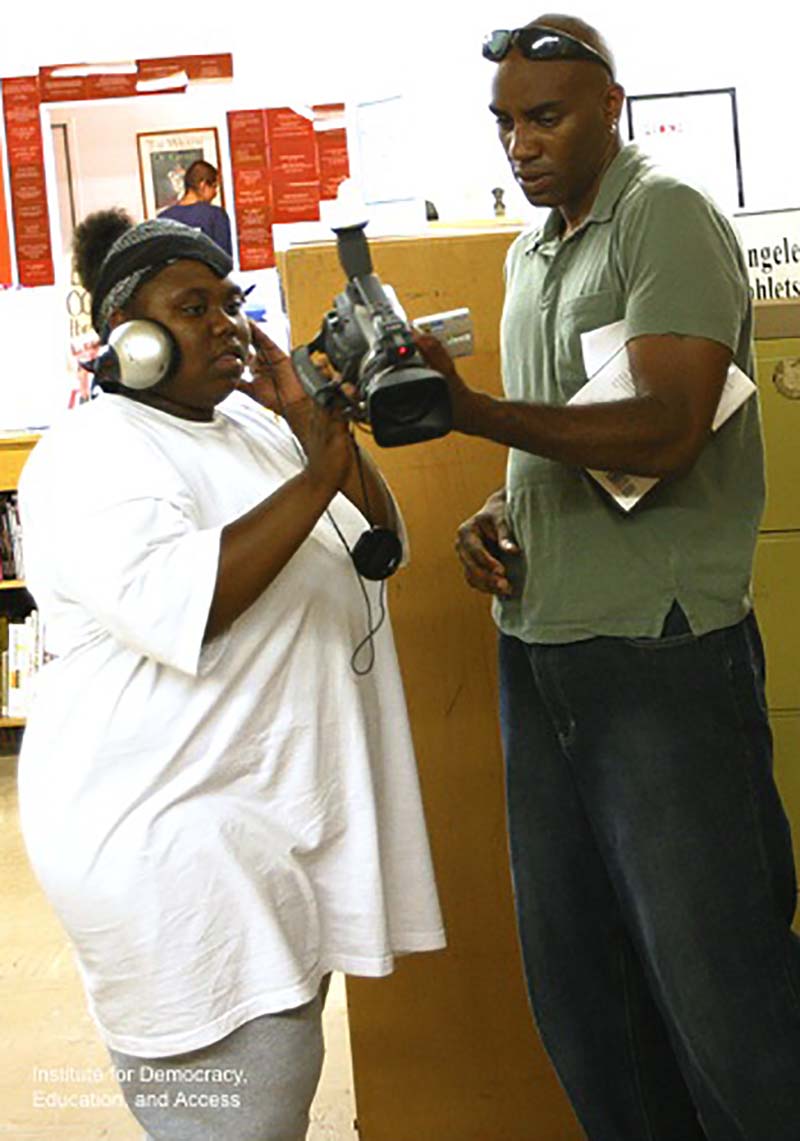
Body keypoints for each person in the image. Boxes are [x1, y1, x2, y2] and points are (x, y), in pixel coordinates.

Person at [414, 14, 800, 1141]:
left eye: (543, 116)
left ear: (609, 106)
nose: (518, 144)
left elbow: (668, 428)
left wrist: (470, 409)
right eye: (502, 124)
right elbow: (558, 437)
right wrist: (495, 508)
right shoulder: (528, 253)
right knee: (583, 990)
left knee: (722, 989)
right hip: (539, 649)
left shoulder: (662, 217)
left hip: (658, 650)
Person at [17, 209, 444, 1141]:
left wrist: (304, 421)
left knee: (270, 1097)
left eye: (230, 305)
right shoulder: (93, 454)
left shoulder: (250, 425)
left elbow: (381, 546)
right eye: (192, 307)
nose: (222, 324)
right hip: (169, 851)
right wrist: (315, 473)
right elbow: (190, 601)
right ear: (129, 339)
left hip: (258, 833)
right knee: (238, 1117)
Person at [158, 159, 233, 255]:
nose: (215, 193)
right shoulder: (215, 216)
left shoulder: (163, 218)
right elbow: (224, 259)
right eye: (214, 187)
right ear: (203, 185)